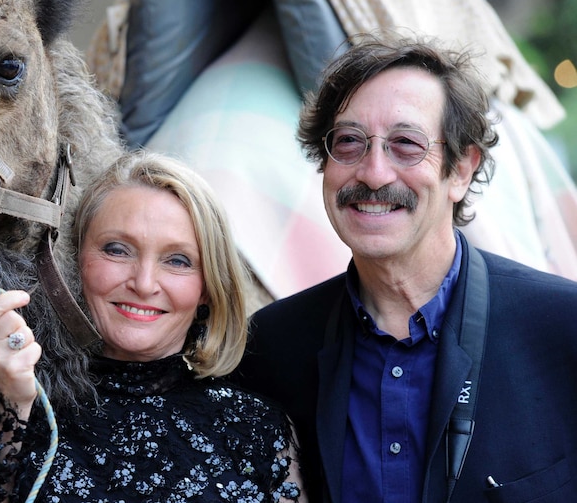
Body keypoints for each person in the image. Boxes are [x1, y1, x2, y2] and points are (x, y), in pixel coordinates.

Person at [234, 31, 577, 503]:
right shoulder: (272, 349)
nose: (374, 173)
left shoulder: (563, 328)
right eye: (350, 142)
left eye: (406, 144)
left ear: (461, 169)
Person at [0, 150, 307, 502]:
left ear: (207, 287)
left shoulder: (257, 427)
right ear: (75, 261)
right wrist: (8, 402)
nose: (143, 282)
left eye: (177, 260)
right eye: (117, 250)